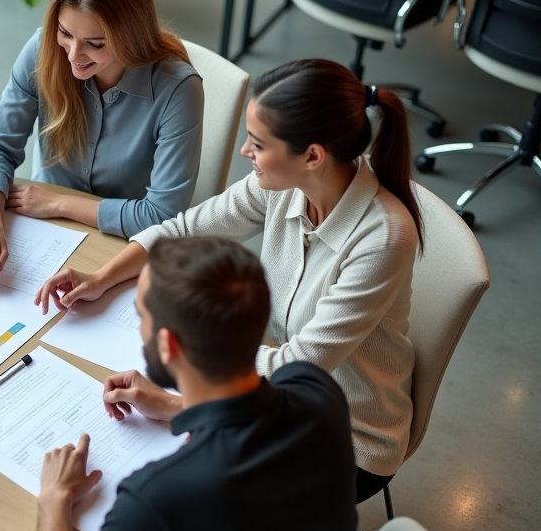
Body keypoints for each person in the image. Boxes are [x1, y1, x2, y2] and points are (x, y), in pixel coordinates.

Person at [36, 58, 423, 503]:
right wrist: (102, 277)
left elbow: (299, 366)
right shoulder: (281, 184)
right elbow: (181, 231)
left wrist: (188, 381)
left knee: (182, 495)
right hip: (276, 397)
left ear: (312, 156)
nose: (244, 152)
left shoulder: (383, 238)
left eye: (258, 143)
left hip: (346, 437)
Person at [0, 236, 357, 531]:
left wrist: (54, 500)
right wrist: (172, 405)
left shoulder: (164, 495)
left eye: (141, 316)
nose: (140, 327)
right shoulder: (315, 389)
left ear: (168, 346)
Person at [0, 0, 204, 287]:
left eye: (95, 43)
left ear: (130, 34)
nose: (74, 55)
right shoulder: (42, 50)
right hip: (45, 233)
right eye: (65, 33)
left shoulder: (178, 90)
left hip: (124, 248)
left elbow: (161, 217)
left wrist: (59, 204)